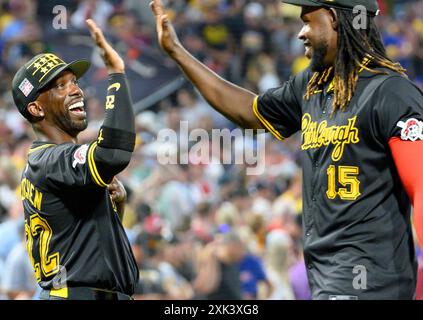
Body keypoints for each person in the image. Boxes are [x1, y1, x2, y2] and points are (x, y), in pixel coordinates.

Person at [150, 0, 423, 299]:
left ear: (333, 17)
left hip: (369, 279)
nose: (301, 33)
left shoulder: (392, 93)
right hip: (325, 276)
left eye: (307, 21)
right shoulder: (312, 86)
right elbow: (251, 113)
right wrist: (178, 52)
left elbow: (420, 184)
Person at [11, 19, 138, 300]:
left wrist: (117, 206)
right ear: (35, 107)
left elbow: (85, 242)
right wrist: (116, 74)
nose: (75, 90)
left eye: (74, 82)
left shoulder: (52, 164)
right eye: (59, 86)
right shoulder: (50, 161)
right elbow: (112, 153)